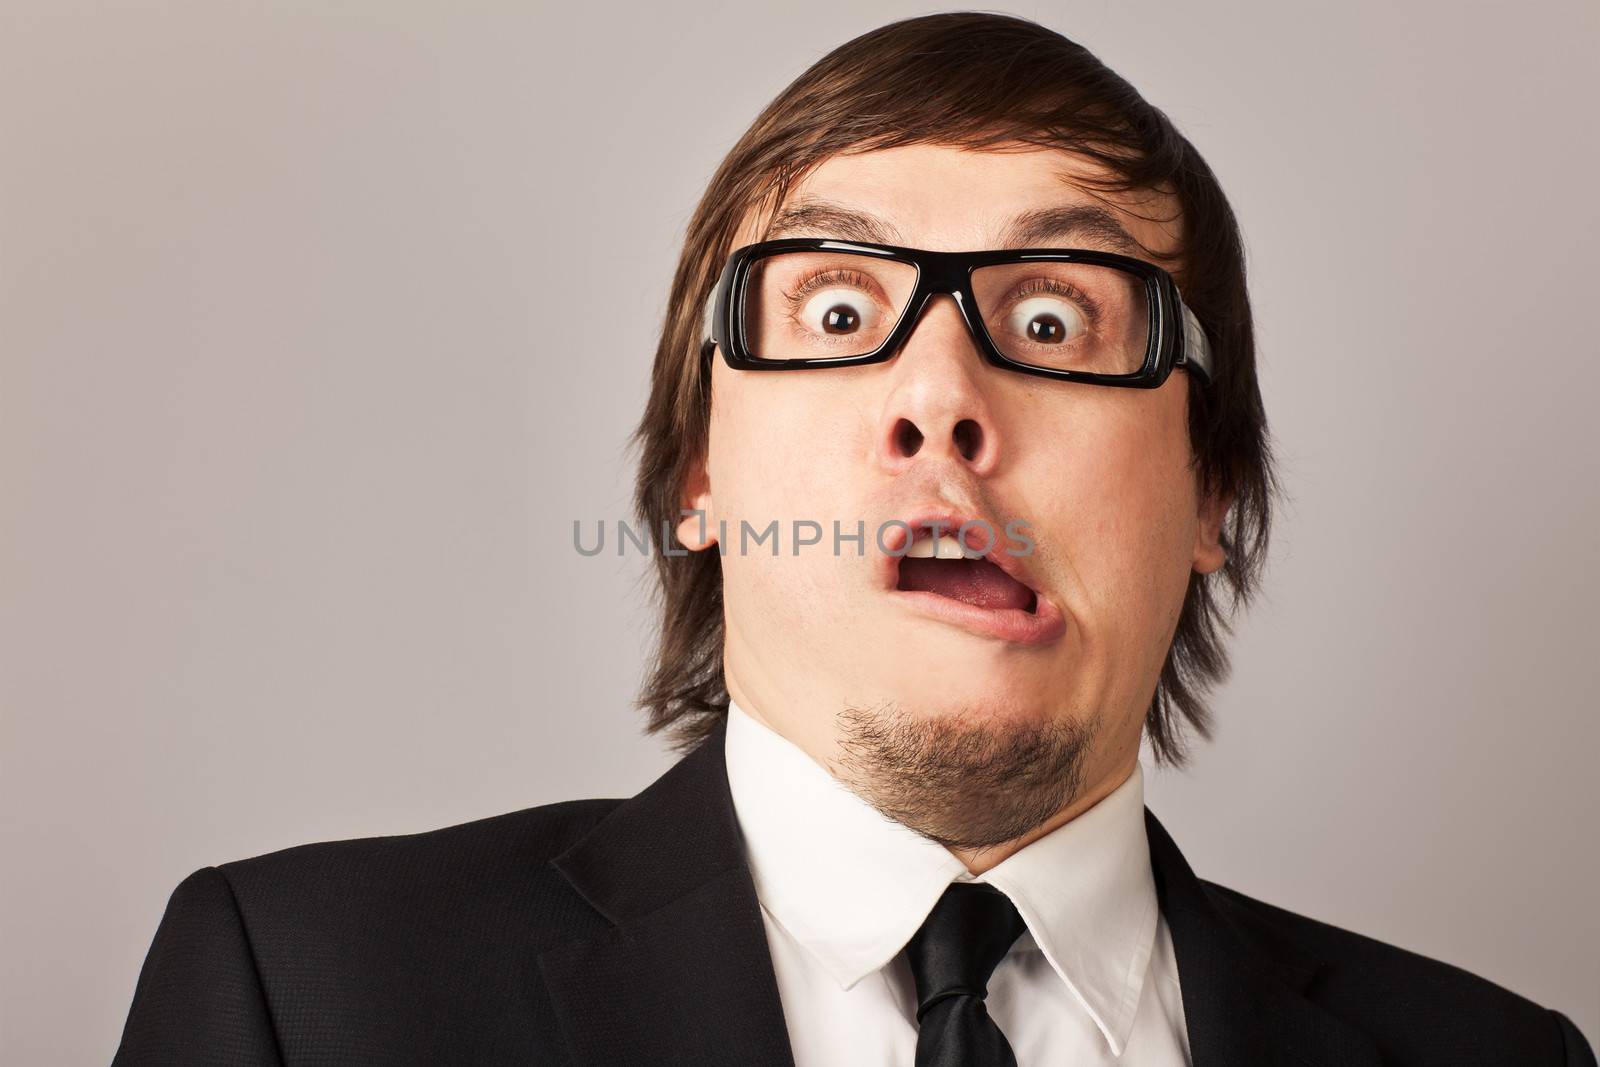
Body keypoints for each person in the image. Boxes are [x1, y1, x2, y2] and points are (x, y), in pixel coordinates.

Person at [111, 12, 1594, 1066]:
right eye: (834, 313)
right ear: (697, 469)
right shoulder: (309, 1000)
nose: (941, 402)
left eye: (1052, 318)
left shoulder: (1500, 1057)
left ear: (1213, 491)